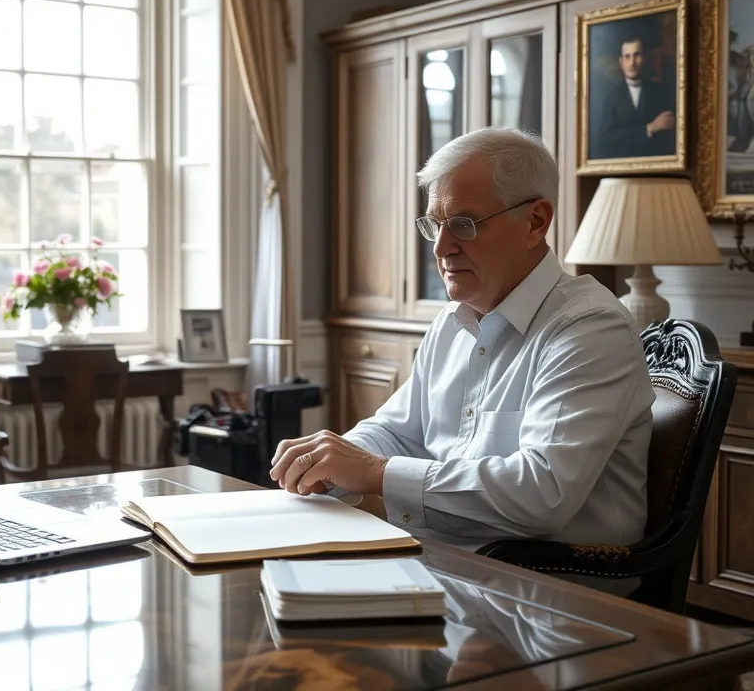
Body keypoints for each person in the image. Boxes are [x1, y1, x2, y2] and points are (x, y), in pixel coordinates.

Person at [269, 127, 655, 562]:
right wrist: (327, 463)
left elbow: (543, 493)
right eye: (435, 225)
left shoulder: (590, 328)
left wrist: (375, 472)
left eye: (463, 225)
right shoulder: (451, 323)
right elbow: (397, 432)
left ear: (535, 222)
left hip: (550, 586)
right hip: (442, 563)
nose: (441, 247)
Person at [593, 36, 675, 159]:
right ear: (621, 62)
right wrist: (649, 128)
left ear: (645, 58)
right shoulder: (611, 98)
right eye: (627, 56)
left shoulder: (661, 92)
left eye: (637, 55)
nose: (632, 63)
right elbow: (606, 140)